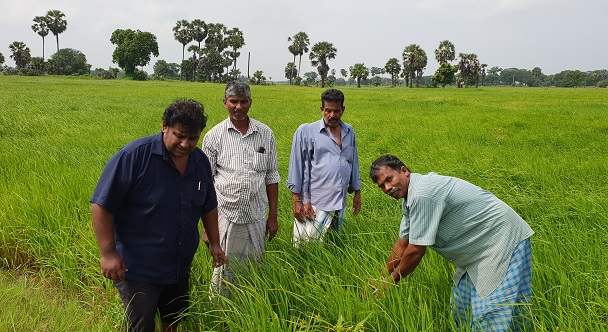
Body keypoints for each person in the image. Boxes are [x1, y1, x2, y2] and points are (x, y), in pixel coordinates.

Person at [90, 99, 228, 332]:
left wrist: (215, 243)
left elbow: (208, 204)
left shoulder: (200, 162)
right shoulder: (135, 156)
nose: (185, 144)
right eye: (179, 135)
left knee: (172, 322)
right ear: (164, 126)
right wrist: (108, 253)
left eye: (192, 138)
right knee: (141, 326)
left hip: (178, 266)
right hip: (138, 268)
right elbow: (102, 204)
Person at [369, 155, 534, 331]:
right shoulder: (410, 198)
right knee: (462, 310)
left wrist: (390, 282)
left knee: (491, 313)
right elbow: (402, 244)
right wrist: (380, 279)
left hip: (499, 240)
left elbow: (416, 251)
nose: (388, 188)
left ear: (404, 171)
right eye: (382, 186)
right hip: (476, 251)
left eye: (389, 179)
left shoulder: (423, 193)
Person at [202, 81, 280, 298]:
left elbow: (272, 176)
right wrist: (206, 228)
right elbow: (206, 183)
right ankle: (220, 310)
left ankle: (249, 304)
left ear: (250, 103)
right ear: (224, 103)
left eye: (243, 101)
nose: (238, 107)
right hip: (225, 216)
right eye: (233, 102)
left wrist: (272, 217)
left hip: (256, 214)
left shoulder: (265, 134)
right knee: (223, 266)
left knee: (254, 267)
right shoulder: (214, 136)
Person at [286, 88, 361, 246]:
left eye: (337, 111)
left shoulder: (349, 131)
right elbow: (298, 166)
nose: (332, 115)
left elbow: (352, 161)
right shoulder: (306, 132)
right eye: (328, 111)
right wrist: (297, 200)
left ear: (343, 110)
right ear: (322, 109)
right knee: (307, 243)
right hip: (315, 200)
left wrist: (357, 192)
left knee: (333, 242)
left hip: (340, 199)